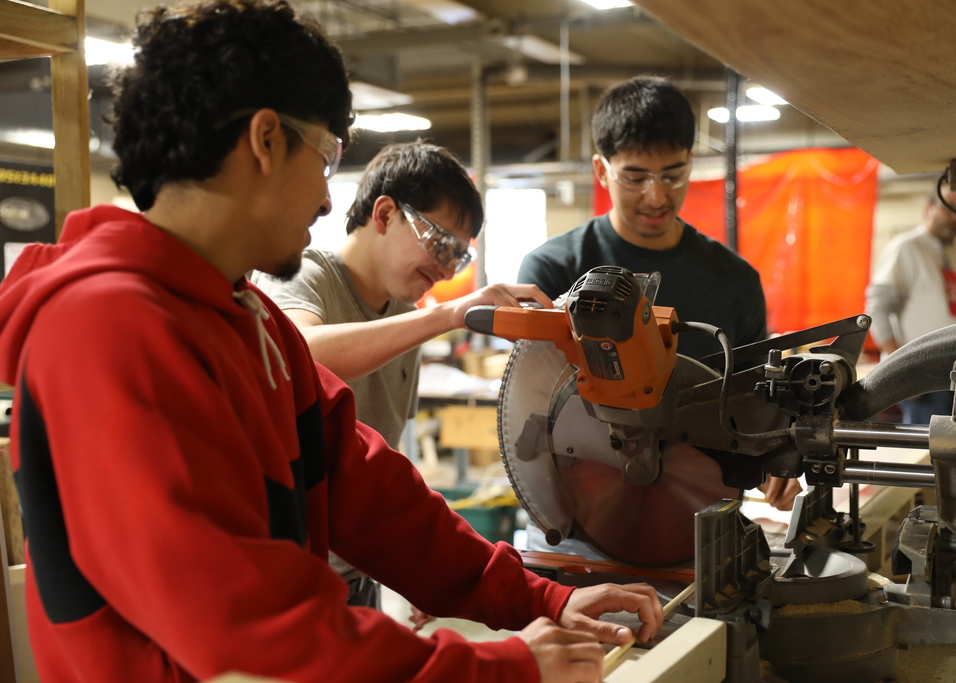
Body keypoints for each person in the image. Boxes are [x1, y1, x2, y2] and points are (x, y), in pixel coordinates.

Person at [0, 1, 662, 681]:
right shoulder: (104, 329)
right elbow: (245, 623)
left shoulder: (252, 320)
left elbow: (375, 500)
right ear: (265, 139)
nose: (325, 199)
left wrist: (542, 599)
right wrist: (500, 670)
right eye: (327, 156)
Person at [251, 141, 551, 611]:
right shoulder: (302, 275)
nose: (446, 269)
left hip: (356, 576)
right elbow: (299, 355)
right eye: (440, 244)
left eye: (459, 256)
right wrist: (448, 315)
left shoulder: (405, 317)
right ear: (385, 214)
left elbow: (386, 457)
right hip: (290, 580)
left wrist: (417, 568)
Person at [518, 75, 799, 515]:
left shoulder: (734, 280)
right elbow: (528, 410)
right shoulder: (553, 271)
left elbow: (754, 403)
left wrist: (775, 454)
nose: (656, 196)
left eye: (673, 175)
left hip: (700, 513)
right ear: (601, 170)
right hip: (581, 512)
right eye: (635, 177)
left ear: (691, 163)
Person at [866, 181, 956, 423]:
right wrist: (902, 372)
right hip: (924, 379)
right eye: (950, 208)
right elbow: (878, 308)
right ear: (929, 206)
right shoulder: (906, 249)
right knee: (930, 444)